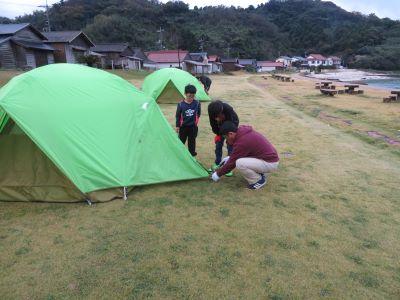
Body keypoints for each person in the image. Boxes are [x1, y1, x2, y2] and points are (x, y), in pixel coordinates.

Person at [211, 121, 279, 190]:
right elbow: (239, 153)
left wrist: (217, 174)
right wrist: (230, 157)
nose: (226, 140)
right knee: (238, 160)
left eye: (226, 137)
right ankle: (259, 174)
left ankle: (258, 180)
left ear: (230, 134)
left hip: (270, 163)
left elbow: (232, 163)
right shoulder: (241, 133)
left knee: (240, 163)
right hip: (266, 159)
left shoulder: (242, 141)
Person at [208, 100, 239, 176]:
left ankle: (228, 167)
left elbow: (235, 122)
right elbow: (213, 124)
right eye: (214, 117)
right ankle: (217, 163)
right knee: (218, 145)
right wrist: (218, 134)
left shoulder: (228, 109)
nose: (216, 118)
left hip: (230, 130)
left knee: (230, 147)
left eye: (217, 116)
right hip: (219, 130)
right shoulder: (211, 110)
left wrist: (231, 135)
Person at [175, 84, 201, 156]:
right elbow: (177, 116)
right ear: (185, 94)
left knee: (192, 142)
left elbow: (198, 113)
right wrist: (177, 126)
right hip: (183, 127)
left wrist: (195, 120)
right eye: (189, 96)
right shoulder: (180, 104)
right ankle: (179, 154)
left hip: (193, 127)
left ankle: (192, 154)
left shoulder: (197, 103)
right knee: (181, 141)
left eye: (193, 96)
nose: (191, 98)